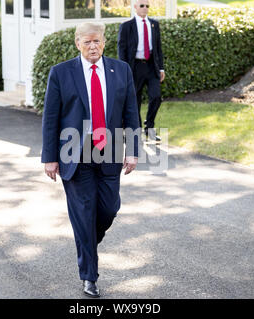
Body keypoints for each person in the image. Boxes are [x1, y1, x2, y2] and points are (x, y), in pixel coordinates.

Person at [41, 22, 140, 298]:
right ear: (77, 44)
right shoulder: (61, 73)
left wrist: (132, 150)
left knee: (108, 210)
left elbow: (131, 112)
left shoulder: (121, 70)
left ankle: (86, 242)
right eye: (87, 42)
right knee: (84, 214)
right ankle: (89, 277)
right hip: (75, 154)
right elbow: (50, 118)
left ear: (104, 42)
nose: (93, 47)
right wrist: (49, 158)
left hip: (108, 153)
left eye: (97, 41)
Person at [118, 0, 165, 141]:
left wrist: (161, 68)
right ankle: (135, 130)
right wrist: (124, 70)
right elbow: (122, 49)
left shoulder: (154, 24)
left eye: (147, 6)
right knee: (134, 101)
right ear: (135, 7)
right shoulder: (126, 26)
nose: (145, 9)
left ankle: (149, 127)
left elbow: (158, 48)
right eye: (142, 6)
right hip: (135, 67)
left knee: (156, 96)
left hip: (151, 66)